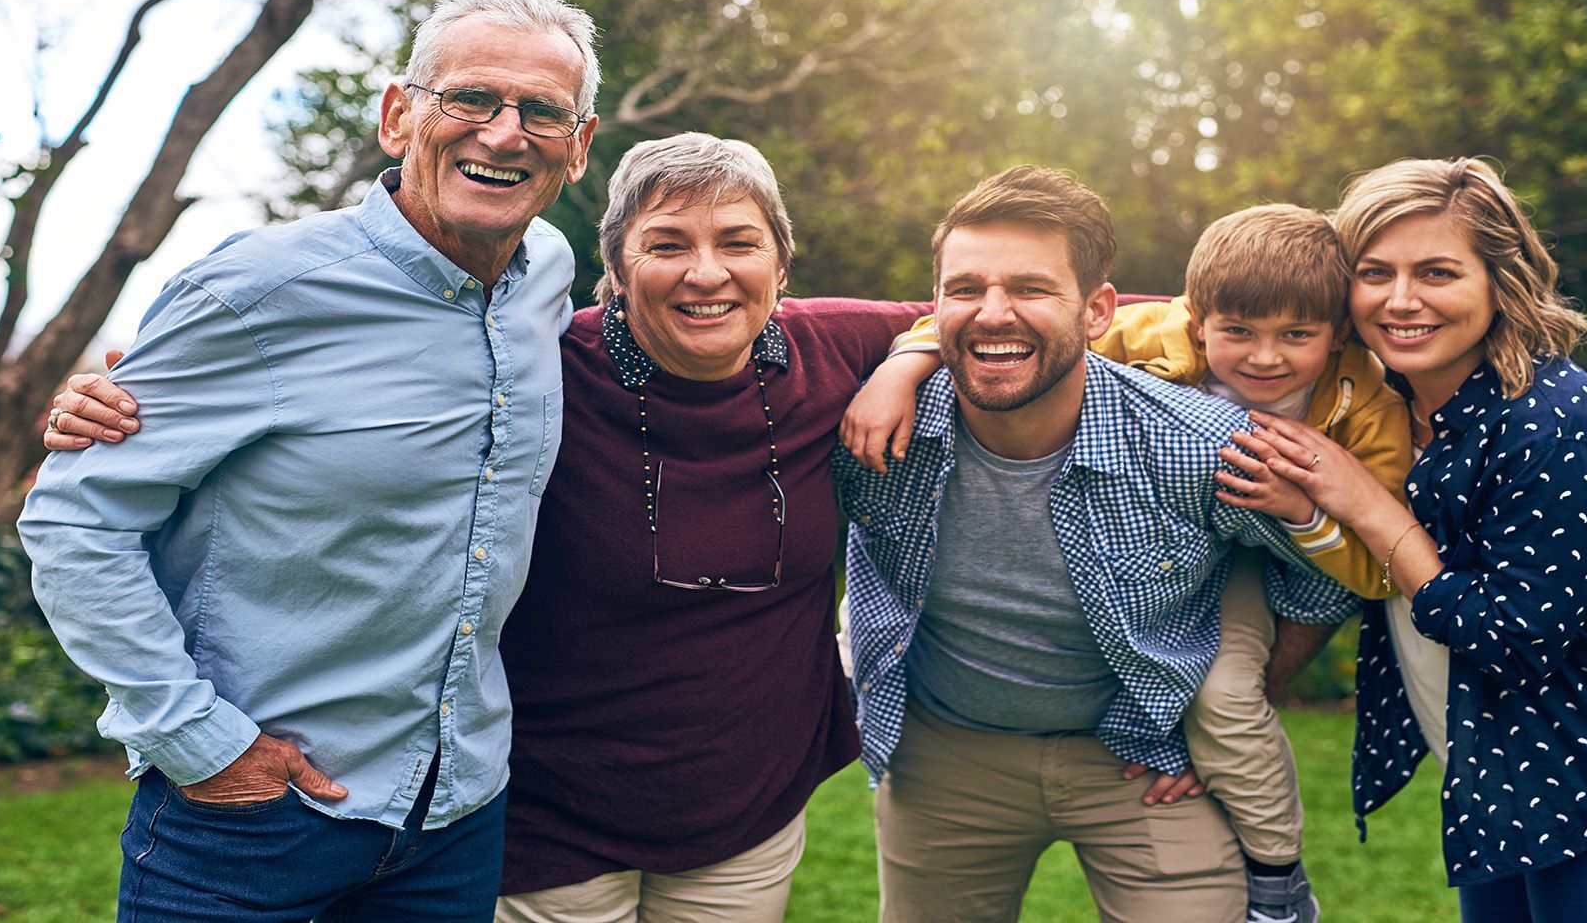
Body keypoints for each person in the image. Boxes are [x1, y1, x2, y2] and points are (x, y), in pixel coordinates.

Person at [45, 132, 930, 922]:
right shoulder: (544, 368)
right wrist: (145, 398)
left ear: (783, 263)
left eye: (739, 242)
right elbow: (359, 378)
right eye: (666, 244)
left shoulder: (837, 347)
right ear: (613, 271)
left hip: (745, 816)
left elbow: (974, 314)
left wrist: (911, 360)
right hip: (547, 816)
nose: (706, 272)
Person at [21, 0, 600, 920]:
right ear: (398, 114)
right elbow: (74, 521)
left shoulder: (547, 278)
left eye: (542, 112)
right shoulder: (258, 290)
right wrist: (197, 739)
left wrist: (911, 348)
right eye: (471, 99)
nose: (505, 133)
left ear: (577, 146)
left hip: (456, 819)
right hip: (250, 826)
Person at [846, 202, 1414, 922]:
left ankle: (1279, 880)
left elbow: (1336, 576)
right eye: (966, 288)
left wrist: (1218, 714)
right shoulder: (874, 425)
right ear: (1202, 322)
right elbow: (983, 329)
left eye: (1030, 287)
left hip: (1141, 754)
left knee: (1226, 702)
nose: (1265, 356)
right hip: (946, 754)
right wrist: (902, 364)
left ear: (1095, 310)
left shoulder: (1241, 436)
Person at [1235, 158, 1587, 921]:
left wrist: (1366, 505)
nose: (1401, 299)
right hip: (1508, 775)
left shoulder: (1557, 419)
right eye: (1374, 271)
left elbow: (1511, 635)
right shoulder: (1377, 414)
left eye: (1438, 272)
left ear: (1499, 282)